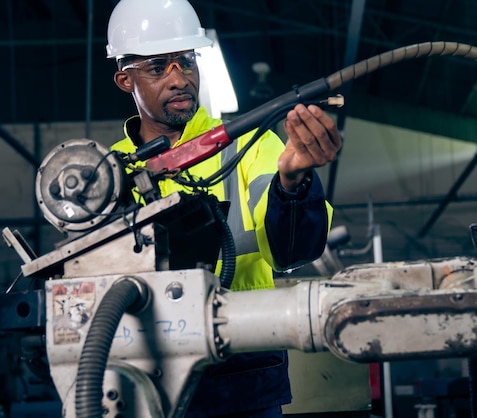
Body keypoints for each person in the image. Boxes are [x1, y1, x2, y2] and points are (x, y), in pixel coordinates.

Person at [105, 0, 342, 417]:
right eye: (159, 67)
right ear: (126, 80)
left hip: (243, 373)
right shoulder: (108, 172)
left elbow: (293, 252)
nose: (179, 78)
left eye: (186, 62)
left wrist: (294, 183)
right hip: (146, 377)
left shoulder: (249, 145)